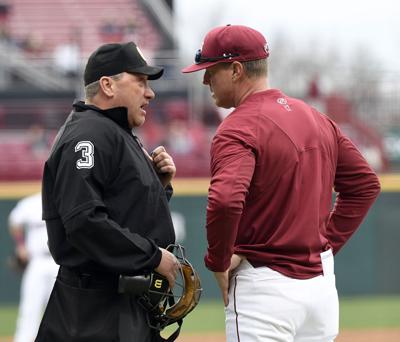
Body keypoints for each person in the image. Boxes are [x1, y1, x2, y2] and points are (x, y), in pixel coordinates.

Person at [182, 24, 381, 341]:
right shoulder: (315, 117)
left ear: (235, 70)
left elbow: (225, 201)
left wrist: (218, 262)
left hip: (264, 290)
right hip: (320, 292)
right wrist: (324, 246)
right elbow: (365, 185)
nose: (205, 79)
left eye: (210, 69)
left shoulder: (238, 127)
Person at [35, 41, 180, 342]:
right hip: (94, 311)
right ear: (107, 85)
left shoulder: (115, 132)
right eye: (140, 81)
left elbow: (121, 210)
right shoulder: (89, 134)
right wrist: (152, 257)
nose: (150, 93)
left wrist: (158, 187)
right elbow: (84, 221)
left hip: (116, 305)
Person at [8, 192, 59, 342]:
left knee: (60, 308)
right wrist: (21, 245)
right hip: (36, 261)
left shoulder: (62, 200)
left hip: (58, 262)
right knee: (30, 308)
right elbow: (14, 222)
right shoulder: (30, 203)